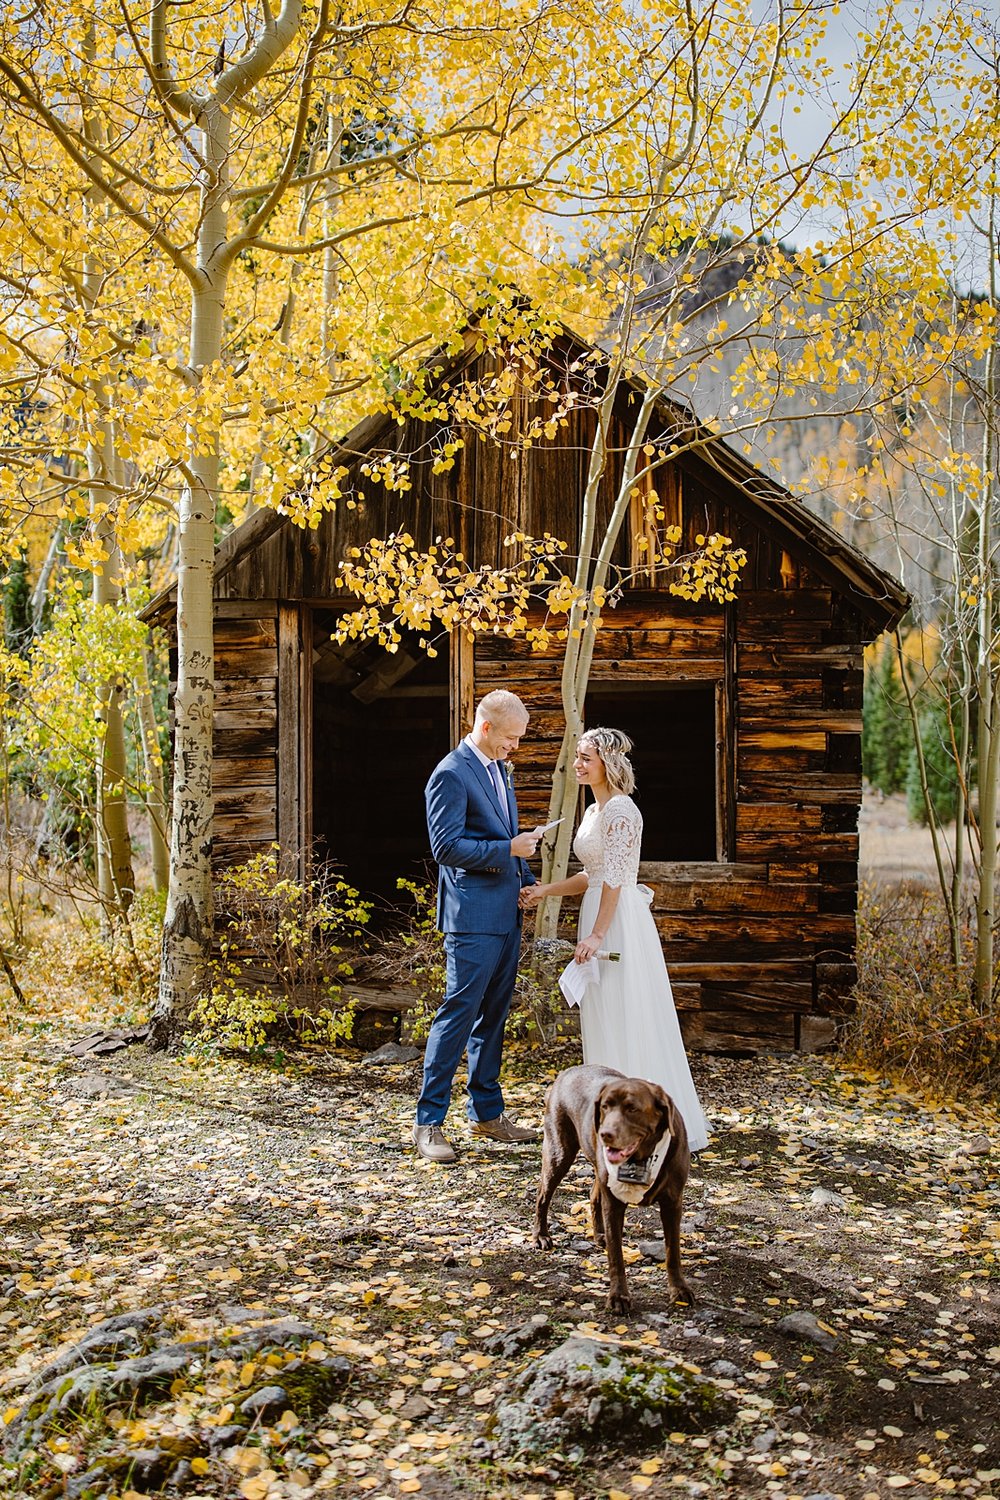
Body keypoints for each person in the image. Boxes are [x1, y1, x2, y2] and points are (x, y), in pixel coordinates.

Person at [521, 727, 710, 1152]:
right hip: (598, 909)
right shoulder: (593, 812)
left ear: (607, 762)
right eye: (578, 756)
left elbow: (618, 880)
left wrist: (597, 933)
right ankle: (612, 1115)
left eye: (586, 757)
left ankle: (647, 1118)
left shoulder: (621, 811)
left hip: (618, 920)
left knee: (628, 1010)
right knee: (603, 1012)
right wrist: (544, 890)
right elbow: (593, 876)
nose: (578, 764)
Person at [413, 689, 543, 1163]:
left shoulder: (498, 769)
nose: (515, 747)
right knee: (458, 1015)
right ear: (485, 728)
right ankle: (428, 1124)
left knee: (494, 1016)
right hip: (471, 916)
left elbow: (506, 835)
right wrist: (508, 852)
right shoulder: (450, 774)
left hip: (506, 911)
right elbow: (445, 848)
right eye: (510, 738)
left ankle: (486, 1113)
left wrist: (526, 879)